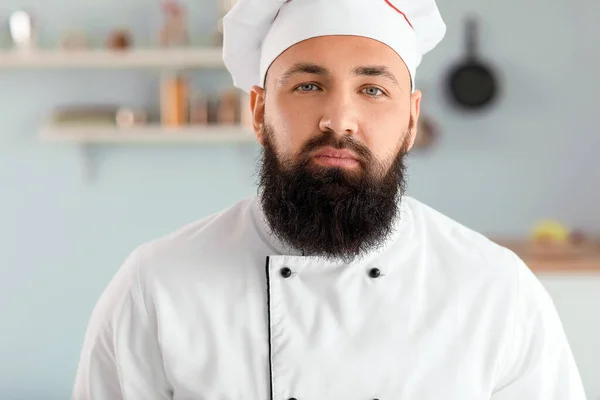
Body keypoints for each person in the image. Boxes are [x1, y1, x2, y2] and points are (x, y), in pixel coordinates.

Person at [72, 0, 587, 399]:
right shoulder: (157, 288)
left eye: (372, 90)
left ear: (411, 119)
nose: (339, 119)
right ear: (258, 112)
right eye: (308, 85)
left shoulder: (497, 292)